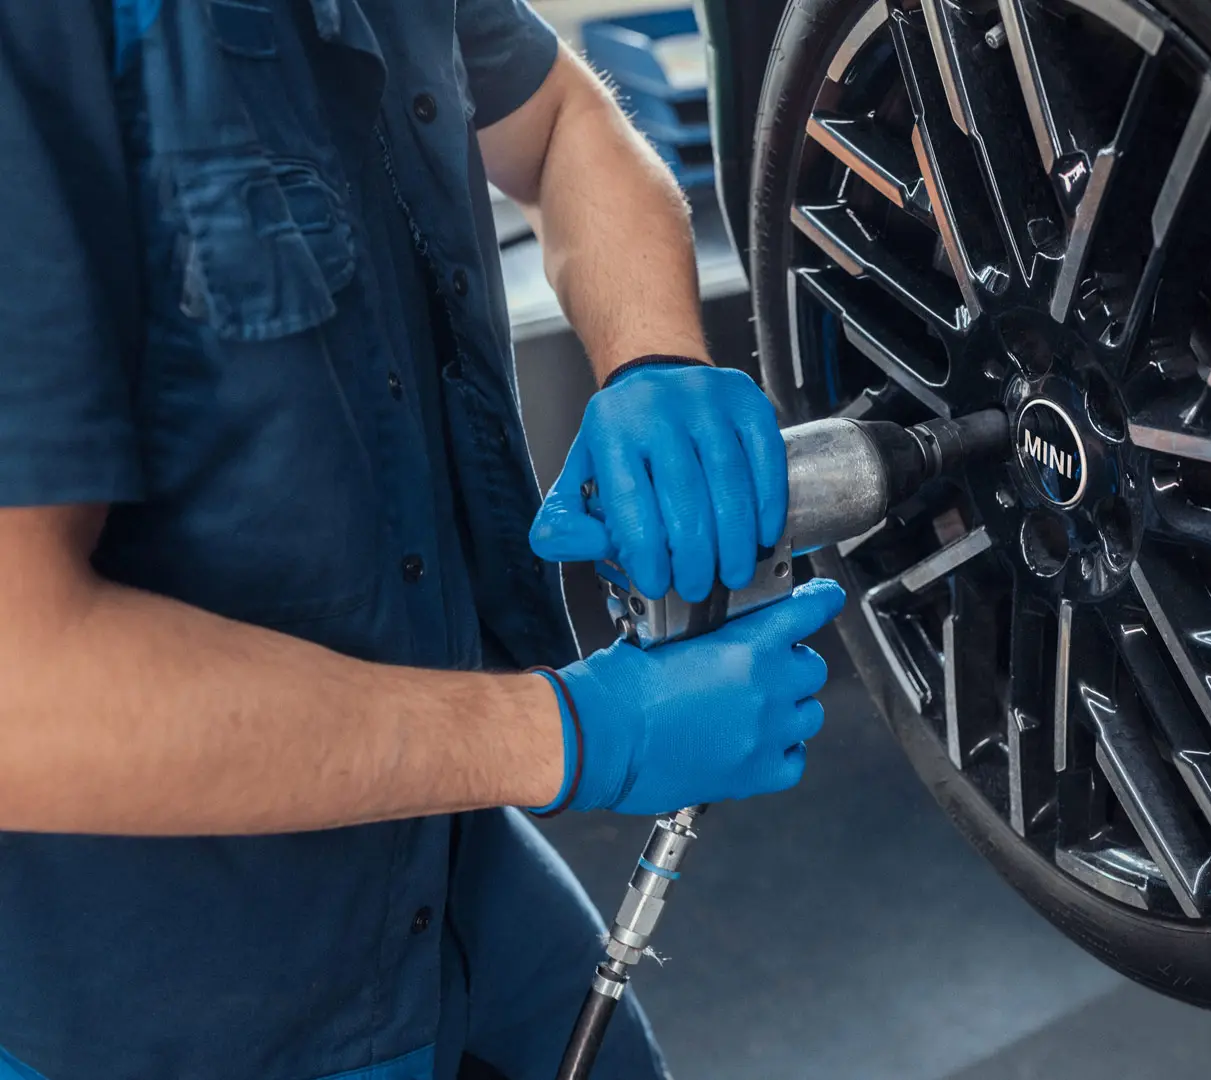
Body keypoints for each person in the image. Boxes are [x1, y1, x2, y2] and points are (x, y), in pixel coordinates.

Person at [0, 2, 841, 1077]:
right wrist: (567, 736)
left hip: (442, 848)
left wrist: (653, 359)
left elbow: (561, 120)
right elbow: (23, 688)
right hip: (178, 985)